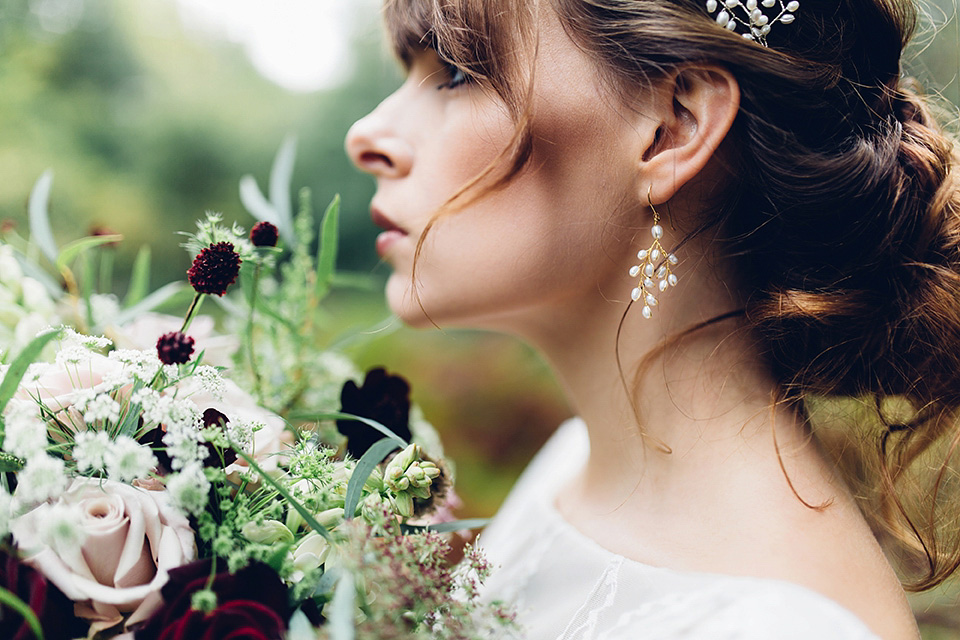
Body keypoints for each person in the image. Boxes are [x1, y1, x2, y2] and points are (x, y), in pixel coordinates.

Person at [345, 0, 960, 637]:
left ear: (673, 127)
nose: (365, 135)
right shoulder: (572, 468)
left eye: (456, 70)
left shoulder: (777, 627)